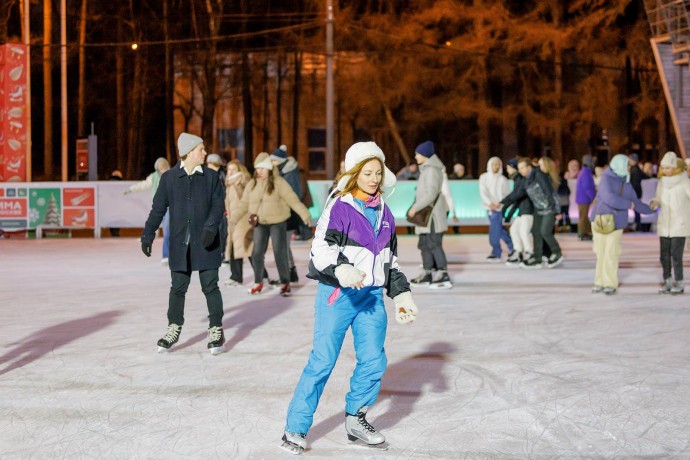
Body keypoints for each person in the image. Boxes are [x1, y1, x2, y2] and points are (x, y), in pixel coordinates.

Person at [281, 141, 418, 455]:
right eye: (367, 173)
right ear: (355, 173)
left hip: (370, 297)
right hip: (338, 295)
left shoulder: (386, 213)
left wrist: (402, 294)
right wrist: (342, 270)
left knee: (374, 360)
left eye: (377, 173)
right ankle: (296, 427)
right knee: (323, 361)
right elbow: (321, 249)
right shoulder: (339, 206)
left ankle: (356, 418)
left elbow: (389, 259)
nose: (373, 178)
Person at [141, 133, 226, 354]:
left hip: (207, 242)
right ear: (189, 152)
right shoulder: (169, 179)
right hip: (180, 243)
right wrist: (147, 234)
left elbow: (218, 206)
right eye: (201, 149)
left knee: (210, 285)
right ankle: (174, 327)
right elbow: (158, 209)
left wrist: (210, 227)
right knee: (178, 288)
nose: (205, 153)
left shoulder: (210, 177)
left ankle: (216, 328)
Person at [230, 152, 311, 297]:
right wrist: (234, 218)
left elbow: (293, 200)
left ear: (269, 168)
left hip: (278, 222)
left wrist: (304, 214)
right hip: (260, 222)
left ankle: (285, 282)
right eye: (258, 168)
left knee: (279, 253)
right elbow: (243, 204)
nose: (260, 171)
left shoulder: (279, 183)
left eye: (263, 168)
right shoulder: (252, 184)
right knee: (256, 253)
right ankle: (258, 282)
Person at [590, 154, 654, 295]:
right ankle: (599, 282)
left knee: (611, 253)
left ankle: (610, 283)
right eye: (627, 165)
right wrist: (628, 204)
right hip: (600, 221)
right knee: (601, 253)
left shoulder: (626, 183)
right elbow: (609, 198)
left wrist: (652, 209)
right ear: (619, 164)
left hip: (616, 222)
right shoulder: (606, 179)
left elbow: (636, 203)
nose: (629, 168)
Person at [407, 141, 452, 288]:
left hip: (432, 215)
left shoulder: (432, 170)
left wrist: (415, 207)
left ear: (425, 154)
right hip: (425, 216)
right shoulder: (425, 170)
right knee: (424, 244)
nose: (415, 156)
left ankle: (442, 273)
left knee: (434, 243)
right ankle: (427, 273)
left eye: (417, 153)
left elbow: (431, 193)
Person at [649, 151, 690, 295]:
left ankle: (679, 282)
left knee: (676, 255)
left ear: (675, 168)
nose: (665, 171)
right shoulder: (662, 183)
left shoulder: (685, 182)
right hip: (665, 224)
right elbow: (659, 198)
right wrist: (655, 202)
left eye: (668, 168)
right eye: (663, 168)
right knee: (664, 255)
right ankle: (667, 280)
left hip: (680, 225)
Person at [515, 158, 563, 268]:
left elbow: (550, 193)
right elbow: (519, 193)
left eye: (522, 167)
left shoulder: (541, 176)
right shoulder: (529, 178)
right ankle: (538, 257)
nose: (520, 170)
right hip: (539, 209)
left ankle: (556, 252)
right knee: (536, 232)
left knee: (545, 231)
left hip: (549, 208)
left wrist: (557, 211)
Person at [270, 145, 307, 281]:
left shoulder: (290, 174)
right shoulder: (283, 172)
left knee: (282, 246)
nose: (272, 163)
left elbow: (295, 195)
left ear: (279, 161)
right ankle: (291, 273)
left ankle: (287, 275)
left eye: (273, 161)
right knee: (283, 246)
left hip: (288, 216)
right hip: (285, 215)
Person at [125, 157, 171, 265]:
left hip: (170, 207)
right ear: (158, 170)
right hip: (159, 207)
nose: (163, 171)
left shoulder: (172, 175)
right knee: (165, 230)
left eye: (165, 168)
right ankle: (166, 256)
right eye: (161, 169)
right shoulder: (154, 177)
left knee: (168, 231)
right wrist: (131, 189)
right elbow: (143, 185)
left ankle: (167, 255)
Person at [223, 159, 253, 286]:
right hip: (233, 221)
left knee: (249, 249)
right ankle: (236, 276)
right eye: (229, 169)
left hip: (243, 221)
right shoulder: (230, 184)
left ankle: (262, 275)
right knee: (235, 249)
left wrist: (240, 183)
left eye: (233, 169)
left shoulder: (242, 181)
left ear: (240, 170)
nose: (230, 172)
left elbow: (246, 199)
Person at [500, 157, 534, 265]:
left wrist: (503, 204)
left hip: (528, 210)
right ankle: (518, 251)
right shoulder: (518, 179)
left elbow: (517, 195)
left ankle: (529, 252)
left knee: (524, 232)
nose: (507, 170)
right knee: (514, 230)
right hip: (522, 210)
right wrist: (508, 213)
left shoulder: (522, 179)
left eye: (509, 168)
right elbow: (517, 198)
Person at [480, 156, 514, 262]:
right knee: (499, 229)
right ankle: (513, 246)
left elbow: (506, 194)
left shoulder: (502, 179)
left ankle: (496, 252)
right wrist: (490, 203)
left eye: (498, 164)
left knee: (495, 230)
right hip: (489, 207)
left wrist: (500, 204)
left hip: (499, 208)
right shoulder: (484, 177)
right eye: (494, 164)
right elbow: (483, 191)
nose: (496, 166)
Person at [206, 153, 228, 264]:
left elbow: (225, 191)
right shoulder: (206, 175)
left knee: (222, 232)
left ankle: (222, 253)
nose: (211, 168)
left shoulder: (223, 175)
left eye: (213, 165)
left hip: (222, 208)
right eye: (209, 165)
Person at [576, 154, 596, 241]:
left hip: (582, 198)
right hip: (583, 199)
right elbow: (587, 186)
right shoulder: (586, 173)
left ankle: (585, 232)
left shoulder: (585, 171)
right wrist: (593, 197)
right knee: (583, 216)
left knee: (583, 216)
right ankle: (582, 233)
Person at [628, 153, 648, 232]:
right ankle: (637, 225)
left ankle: (637, 225)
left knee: (636, 209)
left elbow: (634, 183)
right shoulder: (637, 169)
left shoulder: (634, 170)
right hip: (637, 192)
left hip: (635, 193)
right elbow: (644, 176)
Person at [108, 170, 123, 237]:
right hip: (117, 206)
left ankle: (114, 232)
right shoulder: (120, 184)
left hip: (110, 206)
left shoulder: (108, 184)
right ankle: (115, 233)